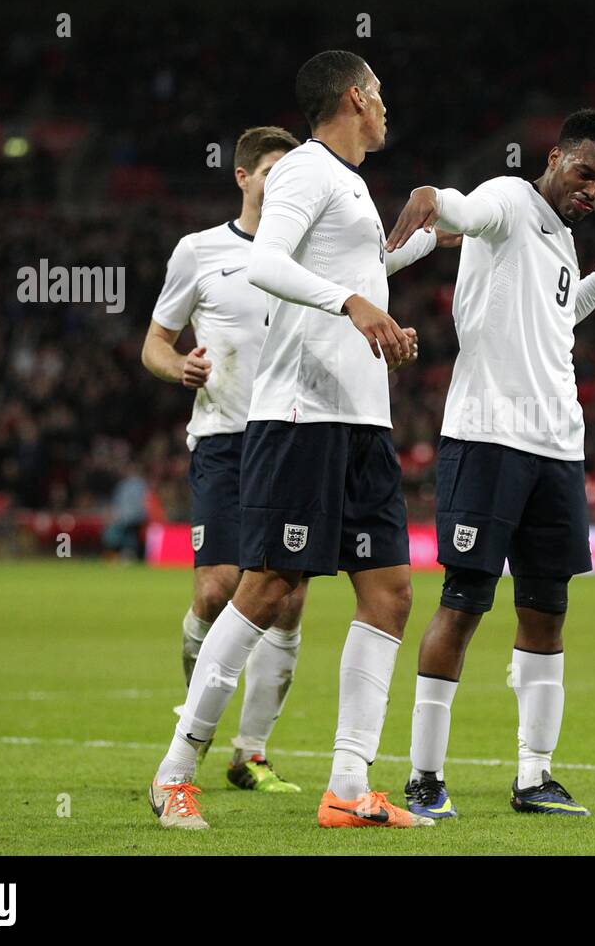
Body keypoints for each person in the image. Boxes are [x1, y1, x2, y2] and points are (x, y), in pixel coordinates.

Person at [147, 51, 448, 829]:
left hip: (361, 420)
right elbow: (268, 263)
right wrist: (353, 302)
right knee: (268, 588)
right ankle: (177, 769)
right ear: (354, 96)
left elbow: (362, 270)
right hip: (299, 417)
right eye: (379, 92)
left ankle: (349, 785)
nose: (387, 105)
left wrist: (420, 245)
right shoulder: (307, 171)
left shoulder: (349, 184)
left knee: (389, 592)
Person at [384, 109, 595, 818]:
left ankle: (534, 775)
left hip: (557, 446)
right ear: (556, 156)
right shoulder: (508, 201)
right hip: (488, 437)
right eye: (584, 171)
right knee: (464, 602)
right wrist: (435, 195)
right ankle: (424, 778)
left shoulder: (560, 238)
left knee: (547, 612)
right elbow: (466, 209)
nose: (592, 189)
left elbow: (560, 317)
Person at [142, 126, 307, 794]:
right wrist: (179, 365)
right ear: (242, 177)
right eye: (273, 170)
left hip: (293, 438)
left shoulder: (307, 251)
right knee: (215, 589)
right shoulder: (200, 251)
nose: (284, 181)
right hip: (223, 439)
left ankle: (253, 752)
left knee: (287, 600)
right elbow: (154, 340)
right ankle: (197, 727)